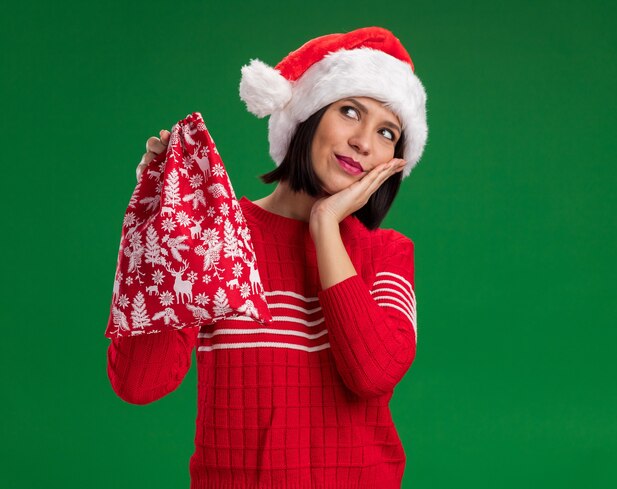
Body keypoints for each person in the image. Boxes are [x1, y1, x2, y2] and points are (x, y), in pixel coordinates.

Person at [108, 26, 428, 489]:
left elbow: (372, 374)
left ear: (394, 161)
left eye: (386, 132)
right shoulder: (218, 232)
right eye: (350, 111)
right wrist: (163, 238)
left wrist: (325, 228)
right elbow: (140, 383)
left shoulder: (388, 253)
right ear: (306, 115)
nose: (363, 141)